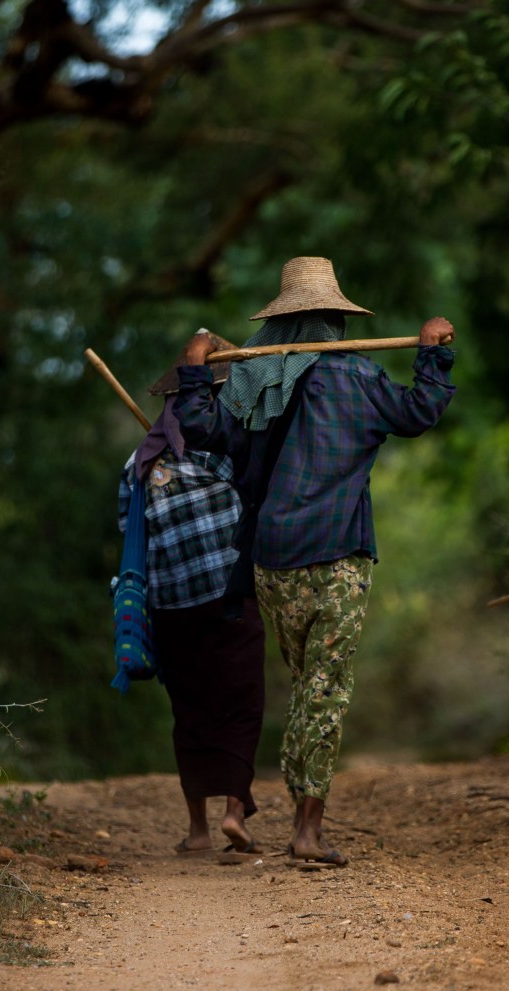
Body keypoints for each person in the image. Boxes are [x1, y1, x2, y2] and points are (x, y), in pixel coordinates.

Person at [172, 256, 455, 866]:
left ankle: (301, 808)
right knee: (325, 690)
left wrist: (194, 368)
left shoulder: (255, 386)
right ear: (337, 321)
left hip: (272, 561)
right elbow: (420, 412)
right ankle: (307, 828)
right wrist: (433, 350)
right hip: (338, 557)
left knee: (307, 684)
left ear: (281, 324)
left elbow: (199, 428)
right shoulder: (358, 377)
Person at [117, 337, 266, 857]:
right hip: (229, 596)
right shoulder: (220, 448)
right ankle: (233, 812)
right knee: (242, 703)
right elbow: (255, 496)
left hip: (169, 608)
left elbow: (128, 531)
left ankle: (198, 829)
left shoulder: (137, 464)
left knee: (191, 711)